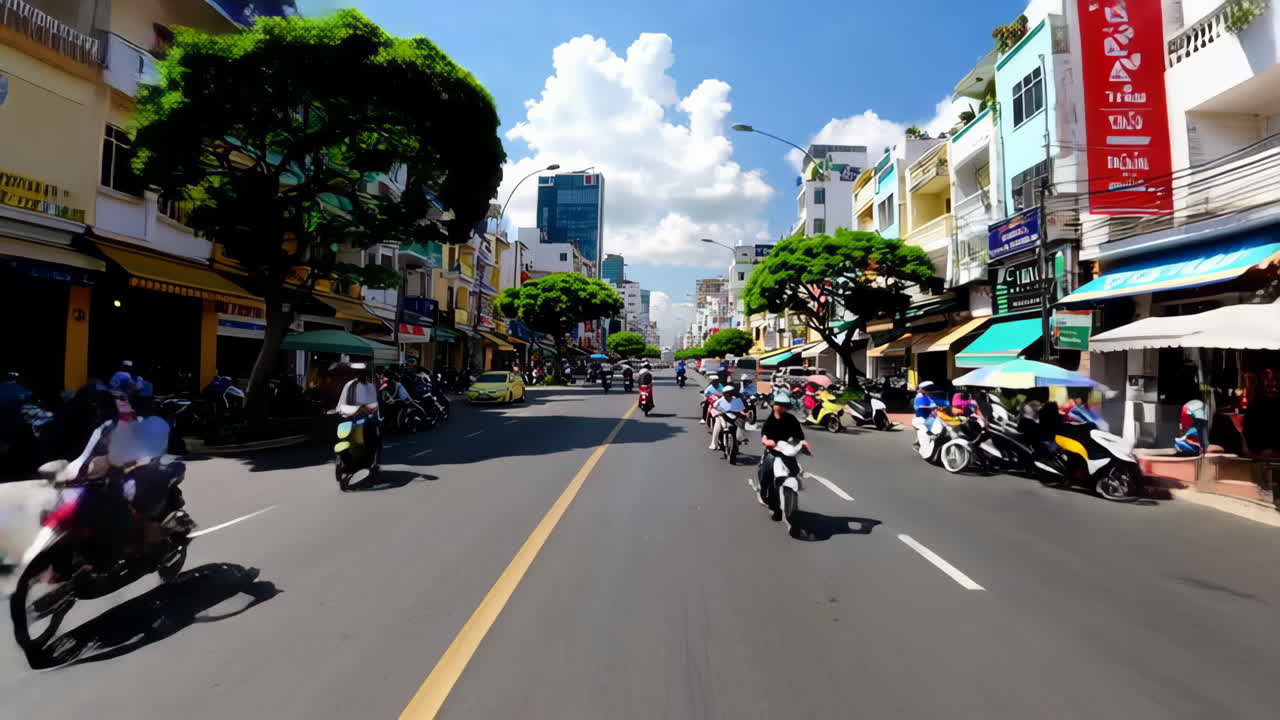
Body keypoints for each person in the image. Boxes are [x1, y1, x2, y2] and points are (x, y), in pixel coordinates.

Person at [757, 395, 811, 516]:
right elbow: (764, 436)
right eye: (779, 404)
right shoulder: (770, 421)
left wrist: (802, 443)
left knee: (795, 471)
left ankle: (792, 497)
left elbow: (799, 436)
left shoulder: (791, 419)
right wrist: (767, 442)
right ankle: (764, 492)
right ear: (775, 405)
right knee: (766, 476)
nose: (781, 407)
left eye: (784, 405)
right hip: (772, 452)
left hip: (787, 451)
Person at [336, 363, 381, 470]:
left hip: (360, 418)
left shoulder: (365, 386)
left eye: (363, 374)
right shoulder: (351, 385)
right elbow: (343, 403)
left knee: (374, 436)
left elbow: (373, 404)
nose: (361, 376)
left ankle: (371, 461)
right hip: (352, 418)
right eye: (360, 374)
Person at [709, 383, 746, 450]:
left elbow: (742, 409)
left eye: (730, 393)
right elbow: (714, 406)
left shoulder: (738, 400)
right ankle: (713, 443)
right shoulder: (721, 400)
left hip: (734, 418)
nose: (729, 395)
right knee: (718, 420)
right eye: (727, 393)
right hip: (723, 417)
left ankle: (740, 438)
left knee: (741, 424)